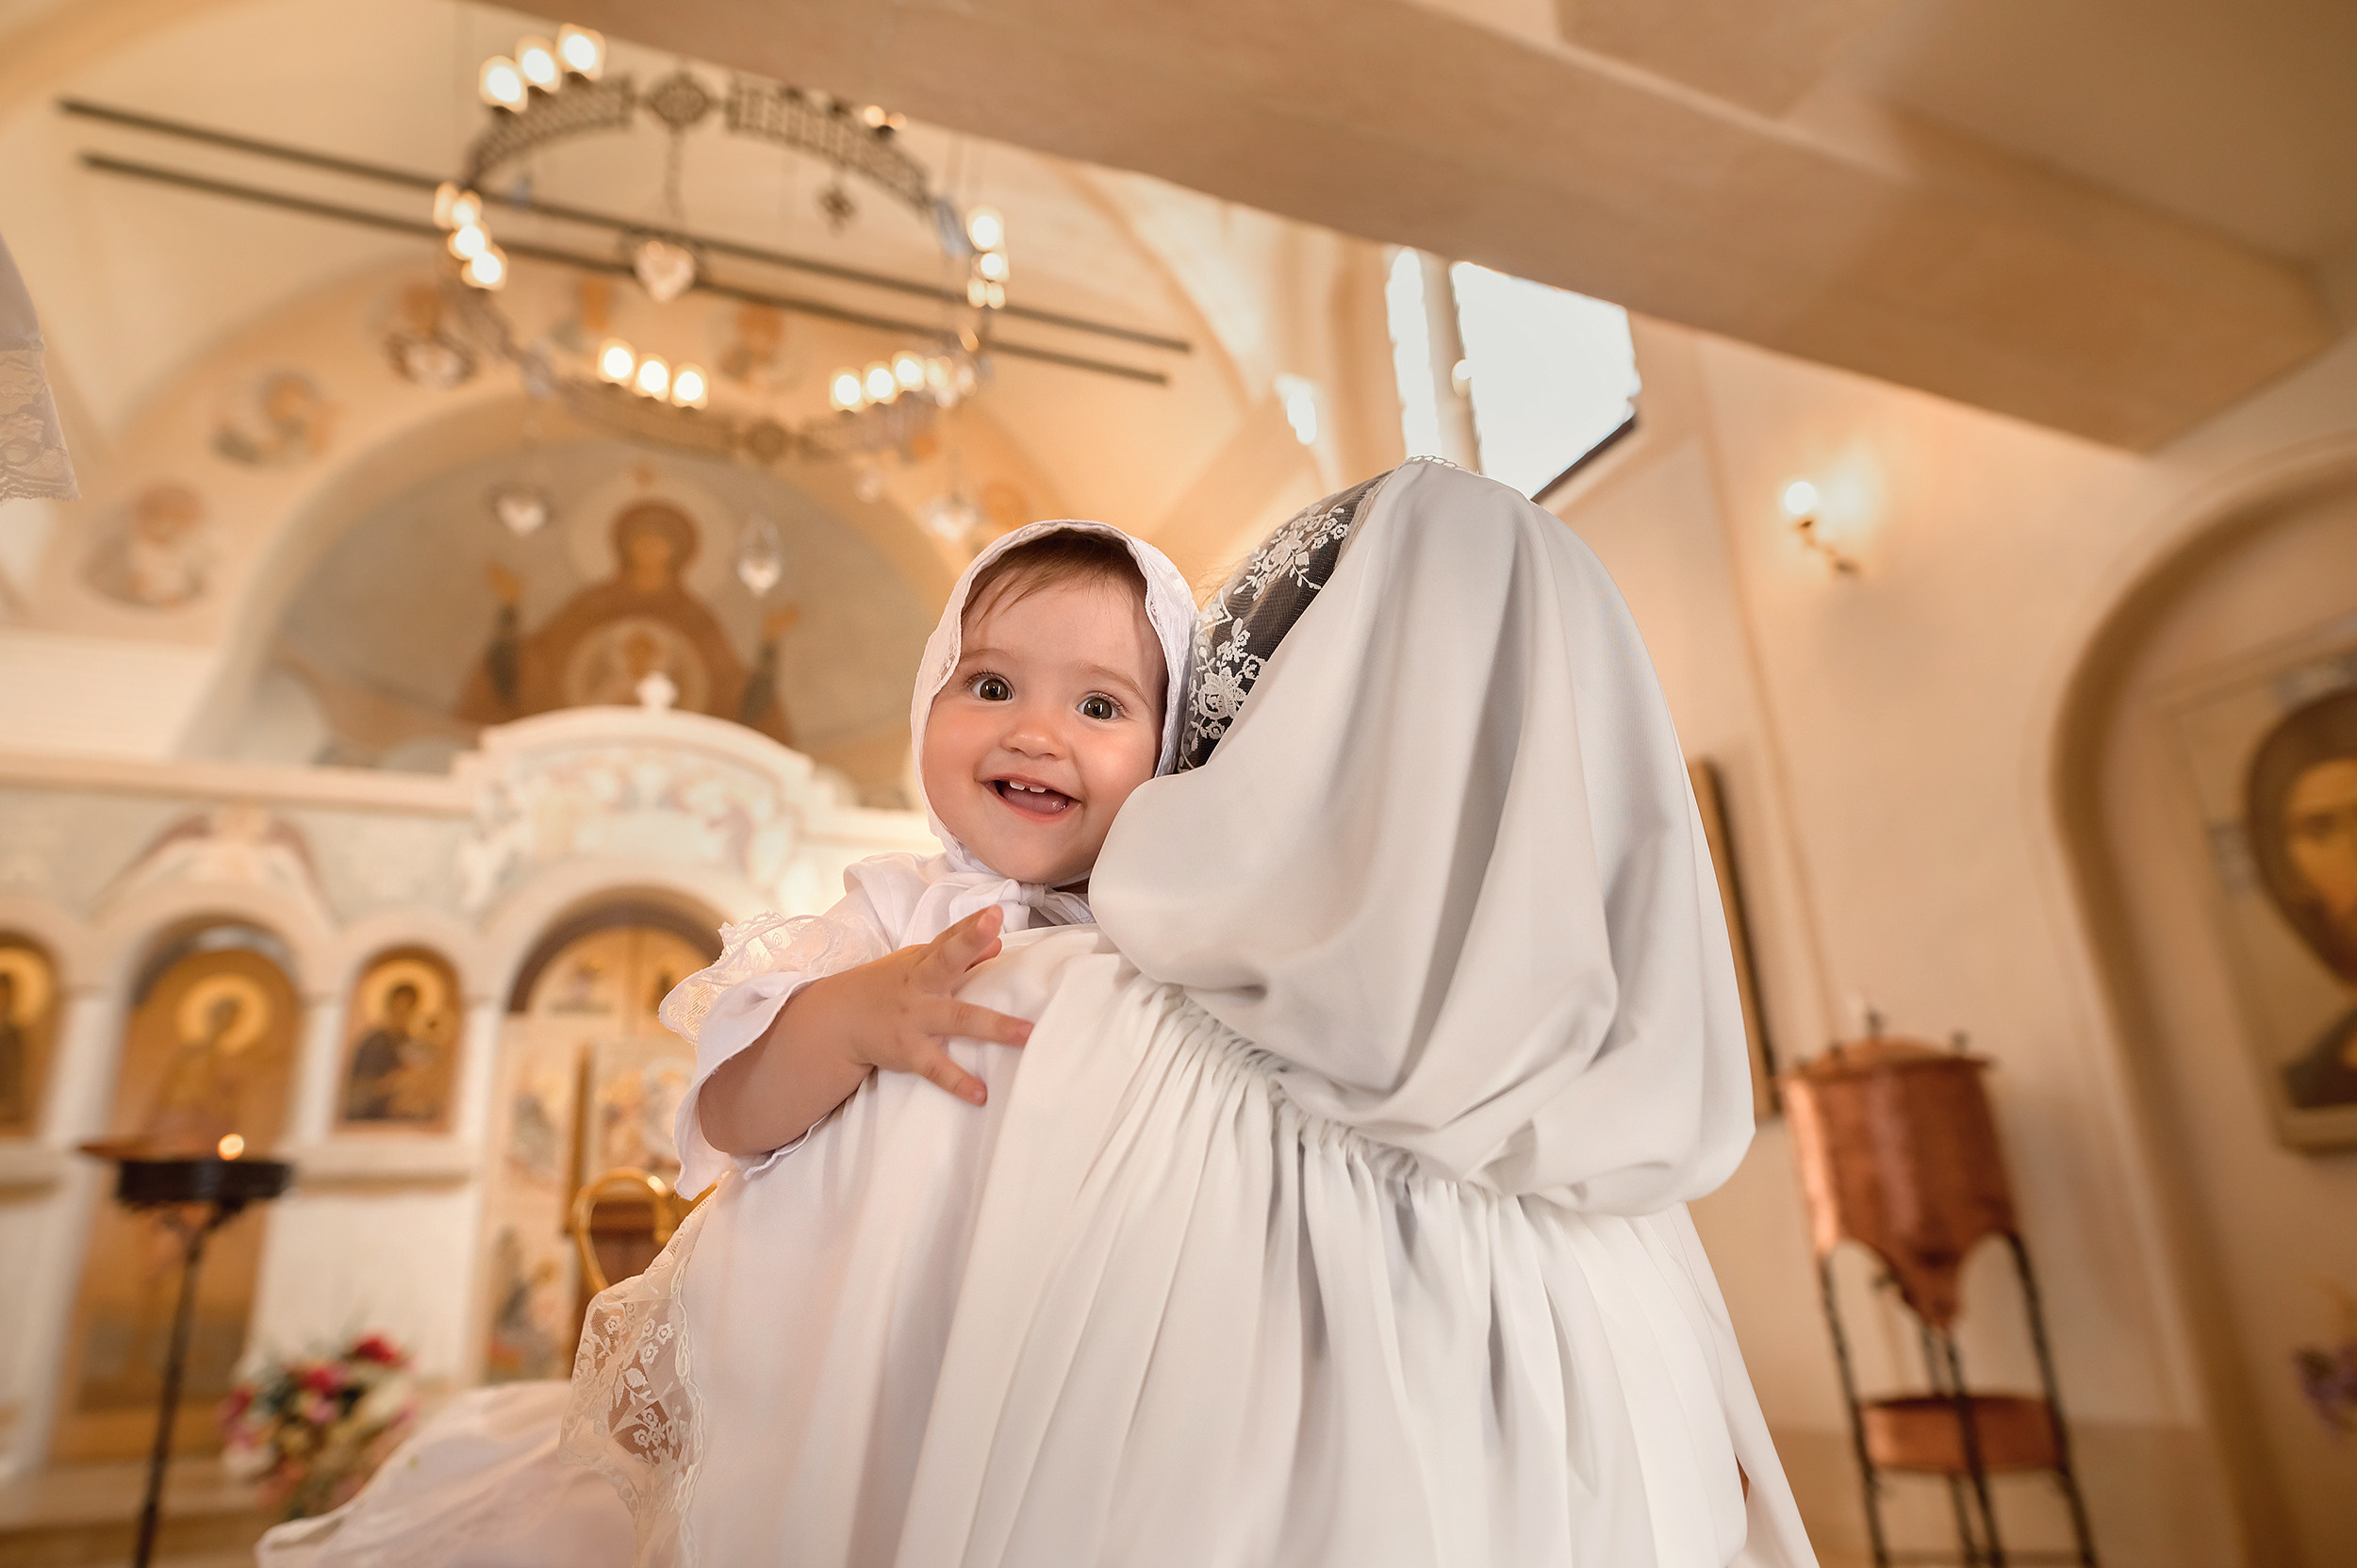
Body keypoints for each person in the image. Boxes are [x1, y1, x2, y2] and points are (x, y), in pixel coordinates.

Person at [256, 517, 1197, 1568]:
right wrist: (851, 1016)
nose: (1034, 731)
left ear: (1166, 754)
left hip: (1020, 1349)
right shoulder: (892, 911)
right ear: (925, 699)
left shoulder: (1147, 945)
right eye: (989, 687)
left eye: (1099, 705)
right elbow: (730, 1112)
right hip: (824, 1348)